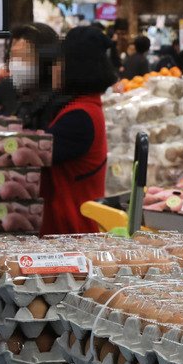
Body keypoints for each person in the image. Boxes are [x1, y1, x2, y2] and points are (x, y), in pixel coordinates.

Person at [40, 26, 119, 234]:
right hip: (70, 231)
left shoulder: (79, 117)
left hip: (71, 233)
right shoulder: (84, 108)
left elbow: (34, 152)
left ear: (73, 66)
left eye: (58, 62)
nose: (54, 69)